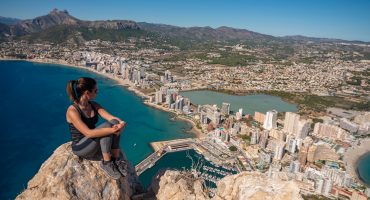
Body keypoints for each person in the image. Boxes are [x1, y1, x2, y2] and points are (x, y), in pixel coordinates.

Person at [66, 77, 127, 180]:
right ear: (87, 93)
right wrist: (113, 130)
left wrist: (121, 123)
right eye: (95, 90)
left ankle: (115, 159)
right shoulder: (72, 111)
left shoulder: (94, 105)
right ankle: (107, 163)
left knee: (114, 123)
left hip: (93, 142)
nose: (97, 92)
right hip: (81, 146)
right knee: (108, 127)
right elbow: (88, 133)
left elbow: (111, 117)